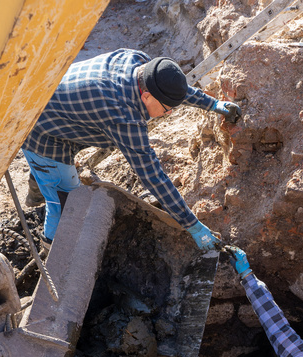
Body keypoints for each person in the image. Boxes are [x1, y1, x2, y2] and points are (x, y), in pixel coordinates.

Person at [21, 48, 241, 249]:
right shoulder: (123, 115)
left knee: (52, 178)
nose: (170, 113)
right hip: (41, 131)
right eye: (166, 110)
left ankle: (39, 186)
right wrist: (193, 226)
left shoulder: (141, 64)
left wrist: (213, 104)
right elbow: (153, 177)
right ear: (146, 96)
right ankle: (51, 254)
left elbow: (173, 89)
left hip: (68, 110)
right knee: (67, 205)